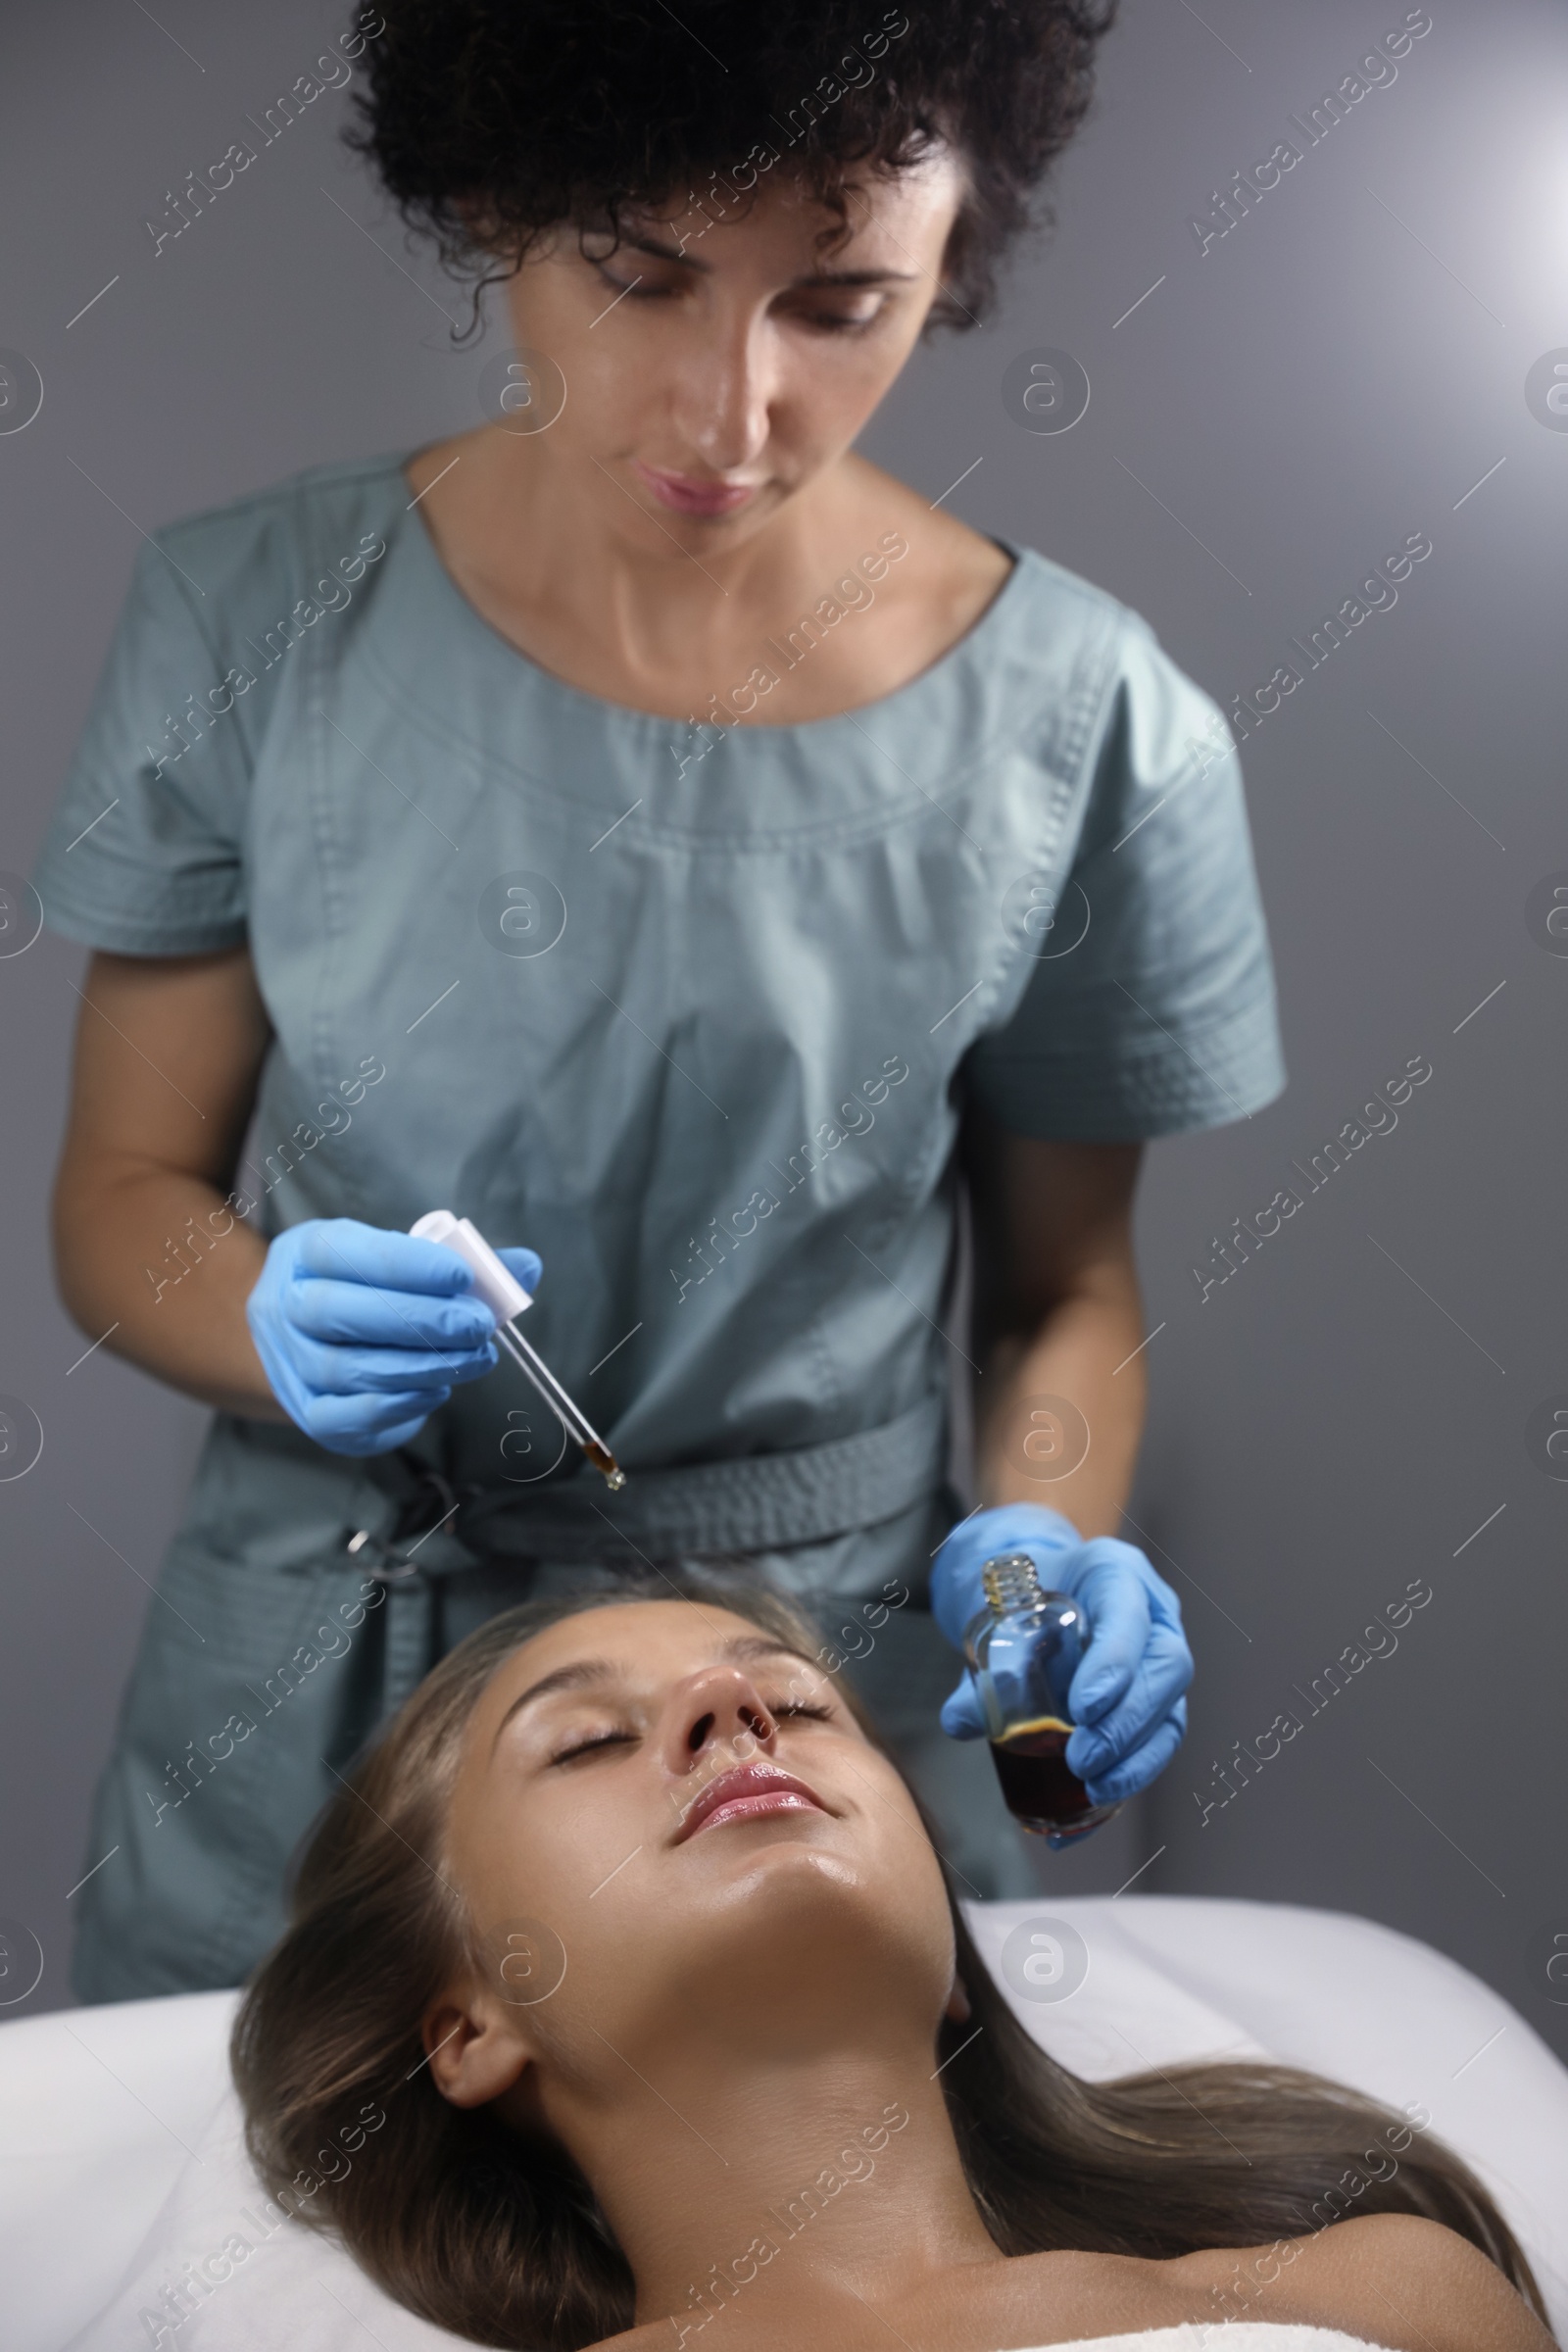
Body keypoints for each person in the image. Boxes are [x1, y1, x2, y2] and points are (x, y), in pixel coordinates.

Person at [35, 0, 1277, 2003]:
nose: (728, 410)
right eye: (638, 276)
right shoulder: (251, 625)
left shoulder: (1084, 727)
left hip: (801, 1711)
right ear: (493, 206)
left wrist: (1042, 1551)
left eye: (838, 304)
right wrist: (259, 1323)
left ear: (958, 256)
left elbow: (1063, 1292)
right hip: (322, 1700)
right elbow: (118, 1203)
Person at [230, 1578, 1551, 2352]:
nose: (733, 1713)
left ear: (953, 1959)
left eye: (797, 1704)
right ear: (465, 2029)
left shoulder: (1385, 2291)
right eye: (585, 1742)